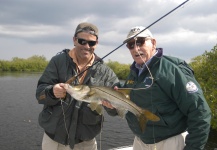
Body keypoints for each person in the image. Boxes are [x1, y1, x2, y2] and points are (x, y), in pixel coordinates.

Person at [105, 26, 211, 150]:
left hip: (169, 142)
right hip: (140, 141)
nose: (136, 48)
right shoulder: (134, 72)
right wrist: (111, 106)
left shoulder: (171, 70)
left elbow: (200, 111)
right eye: (130, 45)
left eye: (140, 42)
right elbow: (127, 107)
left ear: (153, 43)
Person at [35, 22, 119, 150]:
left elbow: (115, 111)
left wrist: (113, 106)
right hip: (54, 140)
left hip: (86, 142)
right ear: (74, 40)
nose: (86, 46)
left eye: (91, 43)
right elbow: (39, 95)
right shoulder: (58, 62)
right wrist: (52, 92)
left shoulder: (106, 72)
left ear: (96, 43)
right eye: (82, 41)